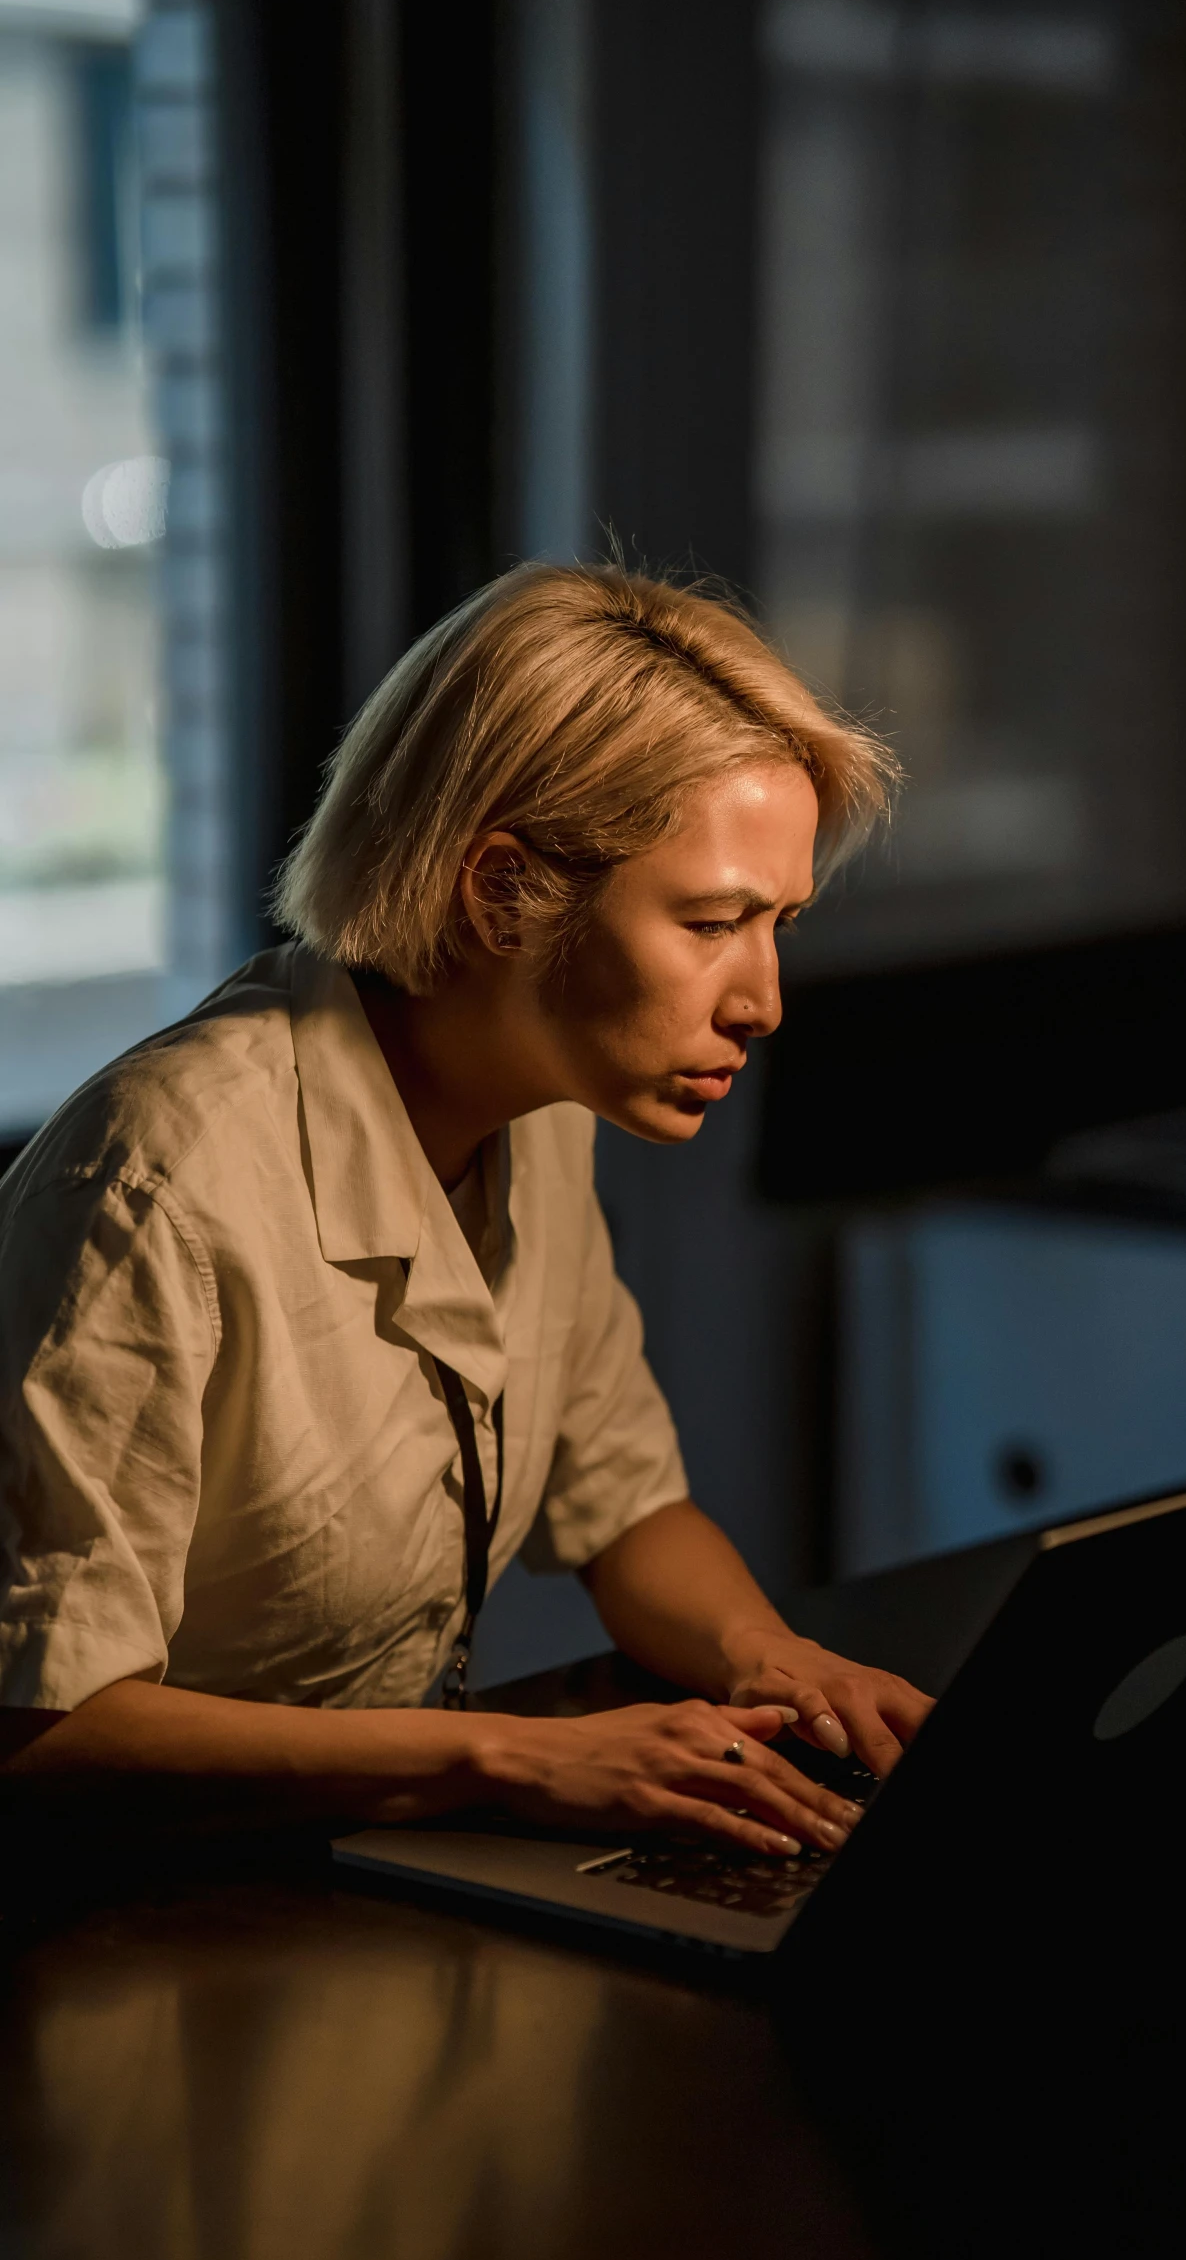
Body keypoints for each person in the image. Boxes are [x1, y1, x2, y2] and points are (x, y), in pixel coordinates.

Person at [0, 564, 932, 1854]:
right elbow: (43, 1727)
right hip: (108, 1922)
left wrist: (771, 1660)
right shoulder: (159, 1177)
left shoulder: (538, 1114)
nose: (763, 1001)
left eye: (777, 924)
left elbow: (624, 1505)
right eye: (714, 922)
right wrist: (514, 1759)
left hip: (330, 1880)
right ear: (499, 892)